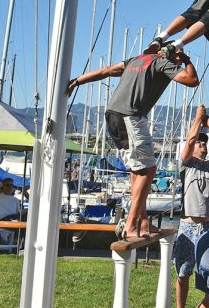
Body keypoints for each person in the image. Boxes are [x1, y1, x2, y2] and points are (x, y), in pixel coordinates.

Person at [65, 48, 199, 239]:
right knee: (149, 170)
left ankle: (143, 223)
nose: (177, 63)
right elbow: (191, 80)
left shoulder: (135, 60)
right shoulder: (162, 63)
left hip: (112, 115)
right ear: (171, 56)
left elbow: (107, 70)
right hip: (130, 117)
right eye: (177, 58)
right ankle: (131, 224)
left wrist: (78, 81)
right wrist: (187, 60)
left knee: (137, 171)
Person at [171, 104, 209, 308]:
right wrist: (197, 119)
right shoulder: (186, 164)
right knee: (183, 274)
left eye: (205, 142)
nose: (203, 144)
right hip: (188, 226)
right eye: (199, 142)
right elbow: (189, 141)